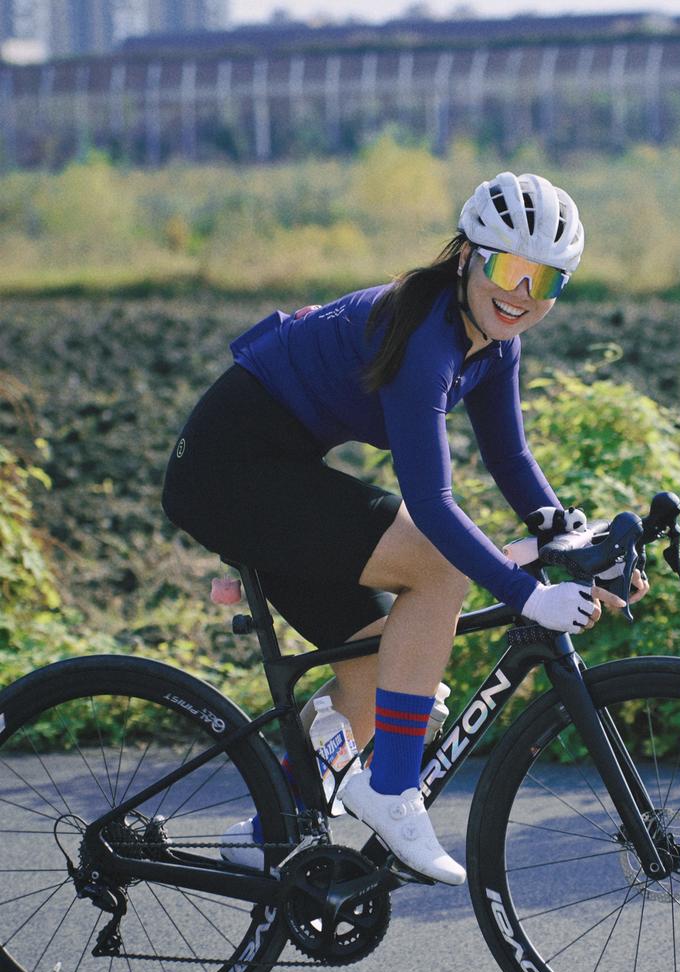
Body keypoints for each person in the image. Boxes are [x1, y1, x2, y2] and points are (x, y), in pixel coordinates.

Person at [162, 171, 647, 885]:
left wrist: (566, 534)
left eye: (545, 283)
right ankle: (392, 794)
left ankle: (266, 834)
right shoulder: (426, 342)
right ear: (466, 257)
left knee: (372, 669)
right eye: (509, 268)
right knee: (438, 567)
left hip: (280, 472)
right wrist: (524, 593)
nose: (521, 294)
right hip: (228, 470)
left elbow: (510, 457)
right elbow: (433, 501)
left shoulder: (493, 338)